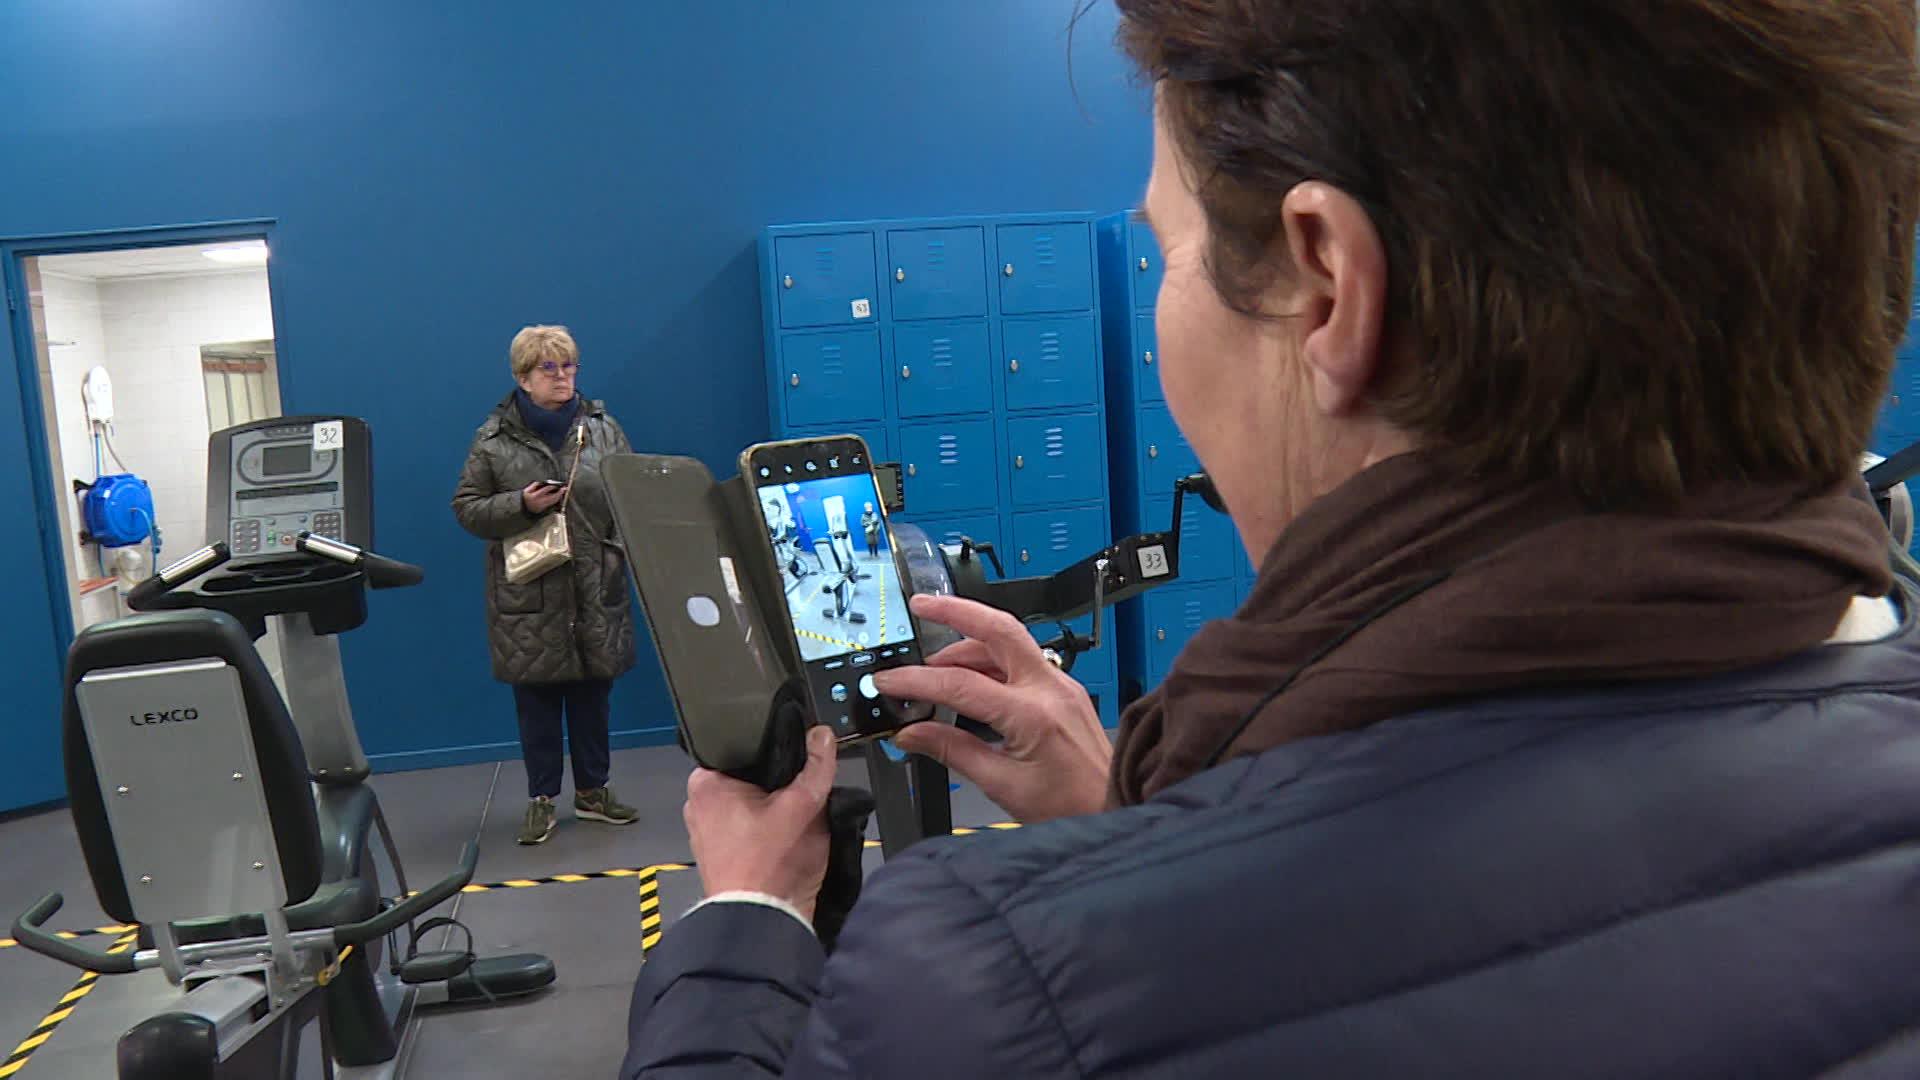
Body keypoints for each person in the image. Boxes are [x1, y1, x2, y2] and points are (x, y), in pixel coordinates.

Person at [623, 1, 1920, 1075]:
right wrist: (1126, 812)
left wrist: (745, 921)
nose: (1161, 317)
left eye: (1168, 258)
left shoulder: (999, 989)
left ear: (1327, 285)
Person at [452, 324, 640, 845]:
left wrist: (615, 552)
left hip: (592, 586)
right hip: (529, 595)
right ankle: (542, 800)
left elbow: (632, 494)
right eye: (549, 369)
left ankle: (594, 793)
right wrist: (521, 504)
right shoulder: (493, 440)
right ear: (523, 377)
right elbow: (466, 509)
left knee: (592, 696)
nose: (563, 377)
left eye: (570, 365)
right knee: (537, 704)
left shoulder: (603, 429)